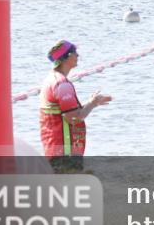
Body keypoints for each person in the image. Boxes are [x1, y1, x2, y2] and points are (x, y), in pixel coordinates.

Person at [38, 40, 112, 173]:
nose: (78, 56)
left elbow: (66, 112)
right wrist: (92, 103)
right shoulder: (62, 84)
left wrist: (91, 103)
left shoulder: (51, 79)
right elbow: (73, 118)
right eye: (75, 53)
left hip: (54, 149)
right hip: (65, 153)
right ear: (67, 57)